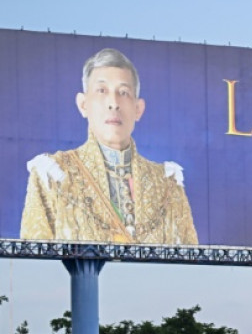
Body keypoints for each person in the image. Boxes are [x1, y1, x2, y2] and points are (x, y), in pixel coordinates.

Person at [20, 47, 198, 245]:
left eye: (123, 92)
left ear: (138, 109)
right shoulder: (53, 176)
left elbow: (192, 268)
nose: (113, 103)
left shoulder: (167, 185)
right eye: (102, 91)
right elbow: (34, 265)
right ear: (83, 104)